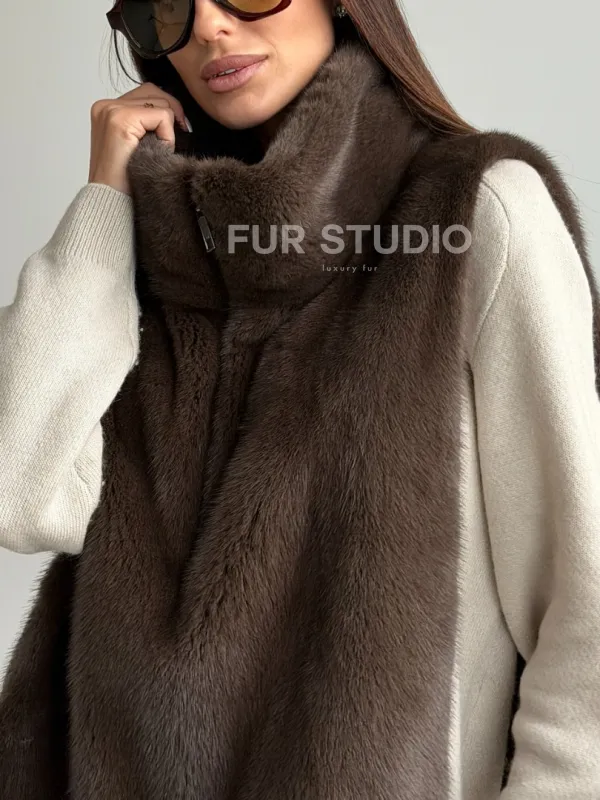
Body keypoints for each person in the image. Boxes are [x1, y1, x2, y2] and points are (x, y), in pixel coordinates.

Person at [1, 0, 599, 798]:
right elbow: (18, 493)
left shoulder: (474, 211)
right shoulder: (135, 251)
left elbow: (585, 604)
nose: (208, 28)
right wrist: (104, 202)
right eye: (170, 7)